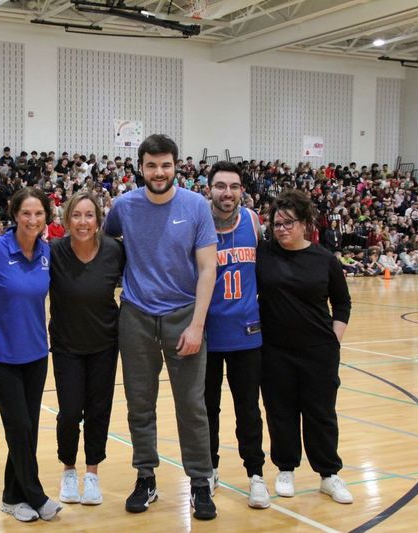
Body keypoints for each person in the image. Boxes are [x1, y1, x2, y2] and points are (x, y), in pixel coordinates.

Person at [104, 134, 218, 520]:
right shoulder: (123, 206)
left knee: (191, 404)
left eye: (165, 165)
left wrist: (198, 324)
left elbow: (208, 268)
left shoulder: (196, 205)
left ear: (176, 166)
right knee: (140, 402)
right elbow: (104, 249)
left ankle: (200, 482)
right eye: (151, 165)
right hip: (135, 315)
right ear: (140, 167)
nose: (159, 172)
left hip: (184, 316)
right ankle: (146, 476)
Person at [256, 189, 354, 505]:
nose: (282, 229)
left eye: (289, 223)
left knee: (320, 413)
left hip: (319, 351)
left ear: (306, 223)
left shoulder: (324, 259)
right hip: (274, 350)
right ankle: (286, 469)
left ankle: (329, 474)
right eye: (277, 223)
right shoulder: (264, 254)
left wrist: (333, 340)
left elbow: (342, 303)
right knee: (280, 412)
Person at [0, 187, 62, 523]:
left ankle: (12, 497)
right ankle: (35, 494)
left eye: (38, 213)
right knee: (19, 424)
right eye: (26, 213)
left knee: (27, 429)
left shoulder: (46, 252)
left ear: (46, 217)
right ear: (14, 215)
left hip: (36, 354)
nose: (32, 219)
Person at [49, 191, 124, 506]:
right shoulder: (54, 252)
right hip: (67, 345)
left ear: (98, 220)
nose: (83, 222)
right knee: (69, 413)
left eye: (89, 215)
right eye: (76, 215)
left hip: (104, 344)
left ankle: (92, 474)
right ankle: (68, 469)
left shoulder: (114, 251)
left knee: (98, 410)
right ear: (67, 220)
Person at [203, 161, 270, 509]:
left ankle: (255, 475)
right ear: (209, 189)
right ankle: (209, 470)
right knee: (207, 409)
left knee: (248, 409)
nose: (226, 192)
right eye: (220, 186)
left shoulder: (254, 222)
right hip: (209, 333)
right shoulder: (198, 223)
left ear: (241, 189)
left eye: (233, 186)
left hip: (247, 332)